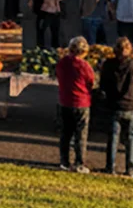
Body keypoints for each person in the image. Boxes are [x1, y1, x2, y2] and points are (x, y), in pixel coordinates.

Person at [99, 36, 133, 177]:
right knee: (131, 138)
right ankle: (130, 168)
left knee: (113, 137)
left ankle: (110, 166)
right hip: (131, 106)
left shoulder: (108, 64)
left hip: (115, 106)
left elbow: (103, 84)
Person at [55, 36, 96, 173]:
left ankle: (64, 161)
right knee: (80, 135)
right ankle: (79, 163)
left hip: (64, 101)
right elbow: (91, 82)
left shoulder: (62, 63)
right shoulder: (85, 66)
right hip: (81, 103)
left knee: (65, 133)